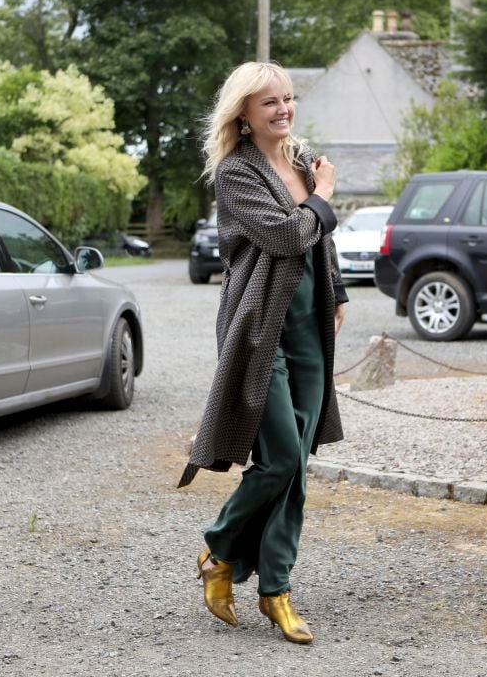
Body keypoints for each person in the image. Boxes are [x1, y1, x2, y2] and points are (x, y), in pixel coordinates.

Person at [179, 62, 348, 645]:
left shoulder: (302, 162)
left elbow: (321, 244)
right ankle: (220, 547)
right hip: (260, 329)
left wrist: (338, 292)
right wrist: (323, 197)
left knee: (297, 462)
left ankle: (275, 589)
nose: (284, 109)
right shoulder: (236, 172)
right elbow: (288, 235)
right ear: (244, 114)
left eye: (289, 98)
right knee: (279, 459)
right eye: (270, 101)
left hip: (311, 331)